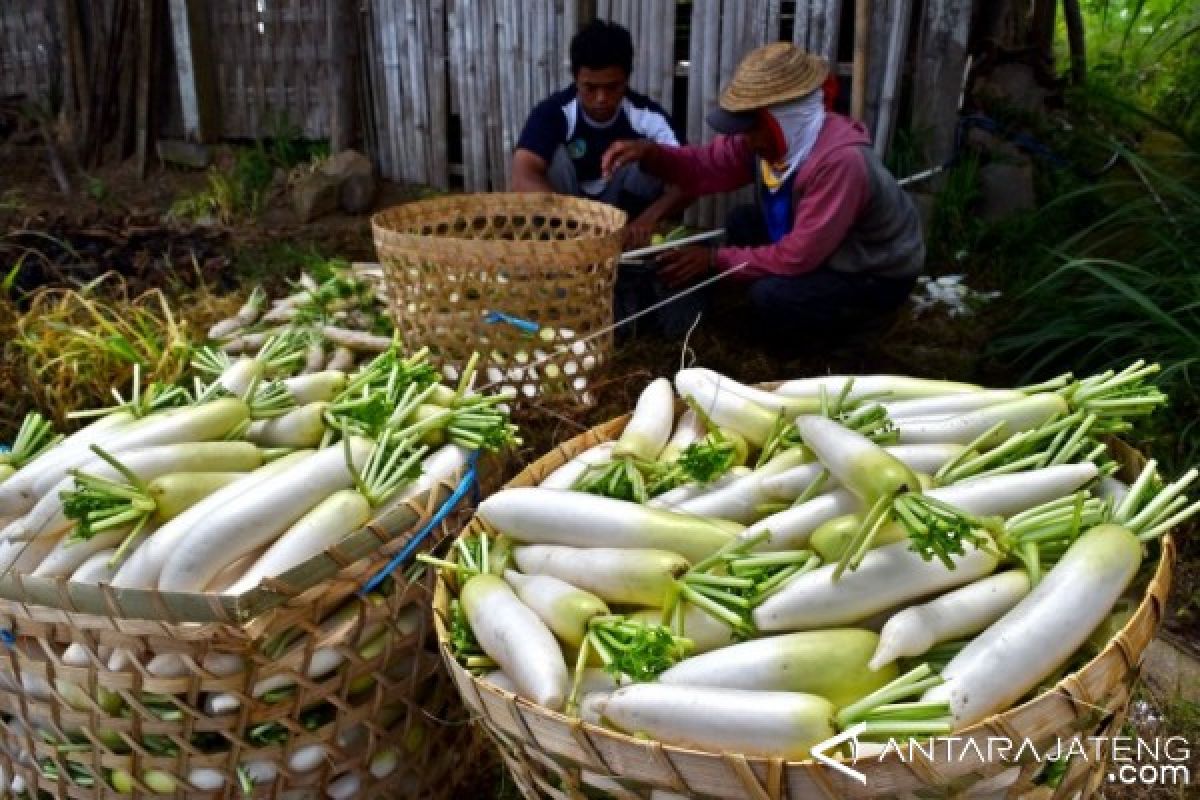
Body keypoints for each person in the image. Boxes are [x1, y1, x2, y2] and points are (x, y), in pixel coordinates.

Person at [602, 42, 925, 344]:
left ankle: (856, 329)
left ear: (788, 118)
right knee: (741, 222)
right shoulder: (772, 142)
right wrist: (651, 154)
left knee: (773, 297)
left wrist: (714, 260)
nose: (746, 139)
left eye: (754, 127)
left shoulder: (841, 163)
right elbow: (704, 167)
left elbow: (798, 256)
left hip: (869, 272)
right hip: (825, 247)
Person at [512, 19, 695, 337]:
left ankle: (630, 267)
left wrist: (649, 219)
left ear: (627, 79)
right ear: (576, 78)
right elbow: (521, 175)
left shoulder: (646, 116)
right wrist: (579, 221)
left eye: (612, 87)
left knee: (651, 154)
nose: (601, 98)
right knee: (550, 157)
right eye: (590, 87)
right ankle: (561, 263)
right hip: (570, 224)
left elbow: (692, 178)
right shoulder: (555, 112)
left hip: (629, 225)